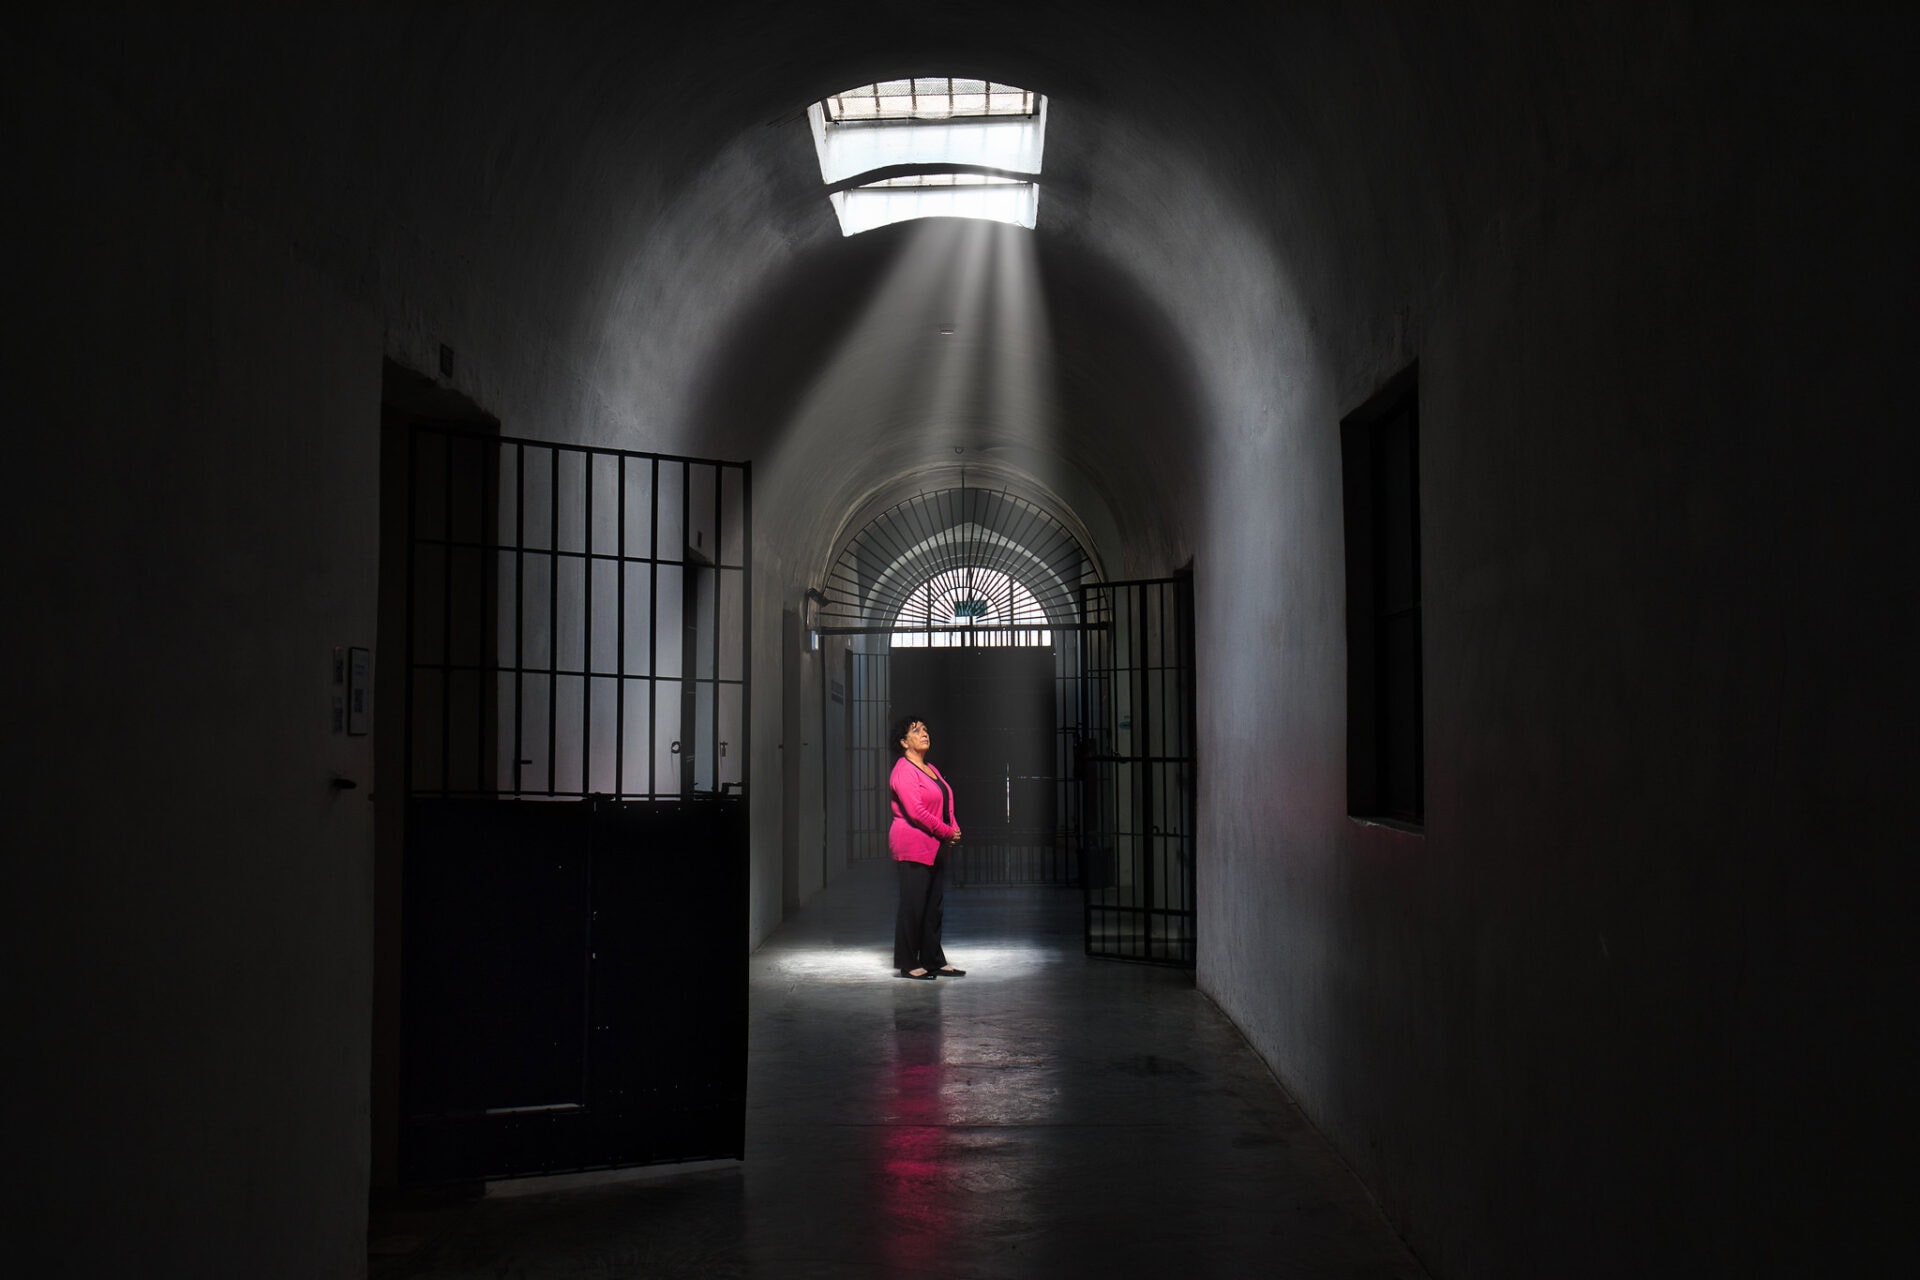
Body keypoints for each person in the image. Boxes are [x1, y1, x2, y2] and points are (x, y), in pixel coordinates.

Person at [888, 713, 967, 979]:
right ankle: (908, 963)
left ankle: (933, 958)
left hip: (934, 846)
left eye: (925, 728)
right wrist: (947, 832)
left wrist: (953, 827)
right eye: (916, 731)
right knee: (913, 905)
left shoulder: (930, 768)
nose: (924, 733)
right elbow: (916, 811)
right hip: (912, 845)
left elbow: (945, 800)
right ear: (903, 742)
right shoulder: (903, 770)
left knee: (934, 905)